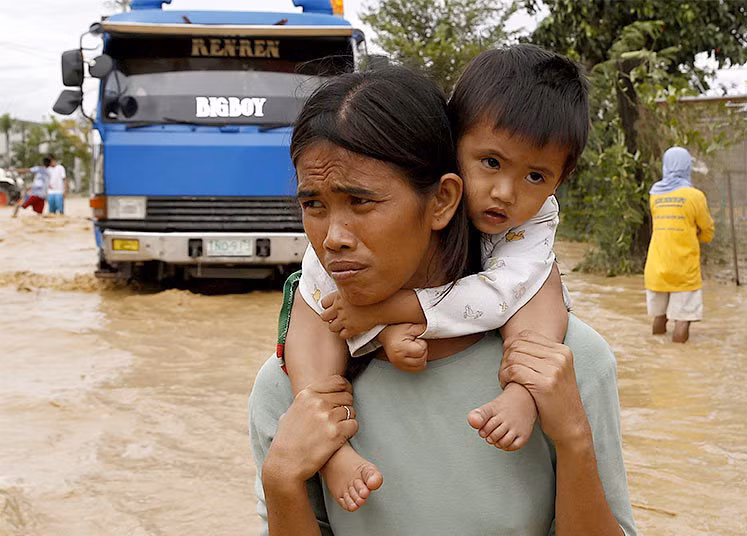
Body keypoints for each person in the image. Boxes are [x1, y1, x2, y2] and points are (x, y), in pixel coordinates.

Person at [249, 67, 636, 536]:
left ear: (442, 200)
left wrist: (574, 440)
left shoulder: (564, 367)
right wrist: (281, 480)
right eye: (313, 205)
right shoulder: (289, 391)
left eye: (362, 202)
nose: (333, 238)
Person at [644, 146, 715, 343]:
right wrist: (696, 234)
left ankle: (658, 353)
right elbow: (707, 231)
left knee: (660, 316)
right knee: (683, 319)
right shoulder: (695, 196)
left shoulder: (655, 194)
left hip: (656, 267)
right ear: (687, 167)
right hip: (684, 269)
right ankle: (678, 360)